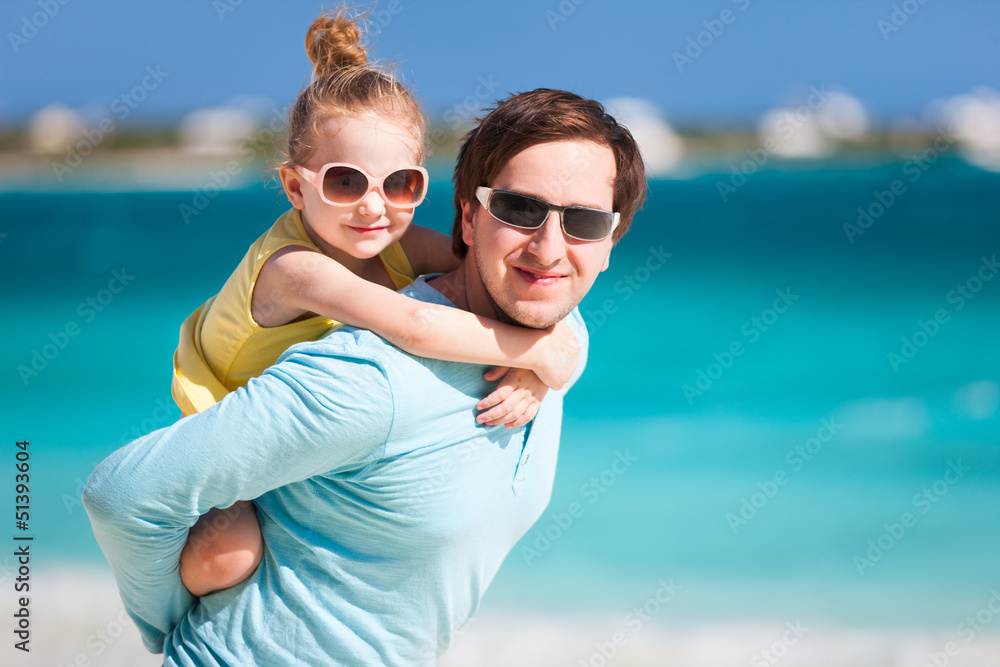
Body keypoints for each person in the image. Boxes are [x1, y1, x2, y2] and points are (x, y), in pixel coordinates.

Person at [83, 84, 646, 665]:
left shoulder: (552, 321)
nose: (550, 248)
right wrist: (166, 629)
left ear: (610, 241)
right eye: (520, 210)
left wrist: (552, 362)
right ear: (469, 217)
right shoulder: (368, 377)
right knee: (221, 556)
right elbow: (120, 494)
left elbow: (558, 319)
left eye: (583, 221)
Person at [172, 11, 579, 598]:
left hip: (308, 430)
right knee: (224, 559)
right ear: (295, 187)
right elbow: (414, 324)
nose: (374, 206)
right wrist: (540, 351)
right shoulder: (296, 269)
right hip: (225, 422)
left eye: (400, 184)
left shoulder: (398, 241)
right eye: (345, 182)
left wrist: (536, 375)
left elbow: (502, 279)